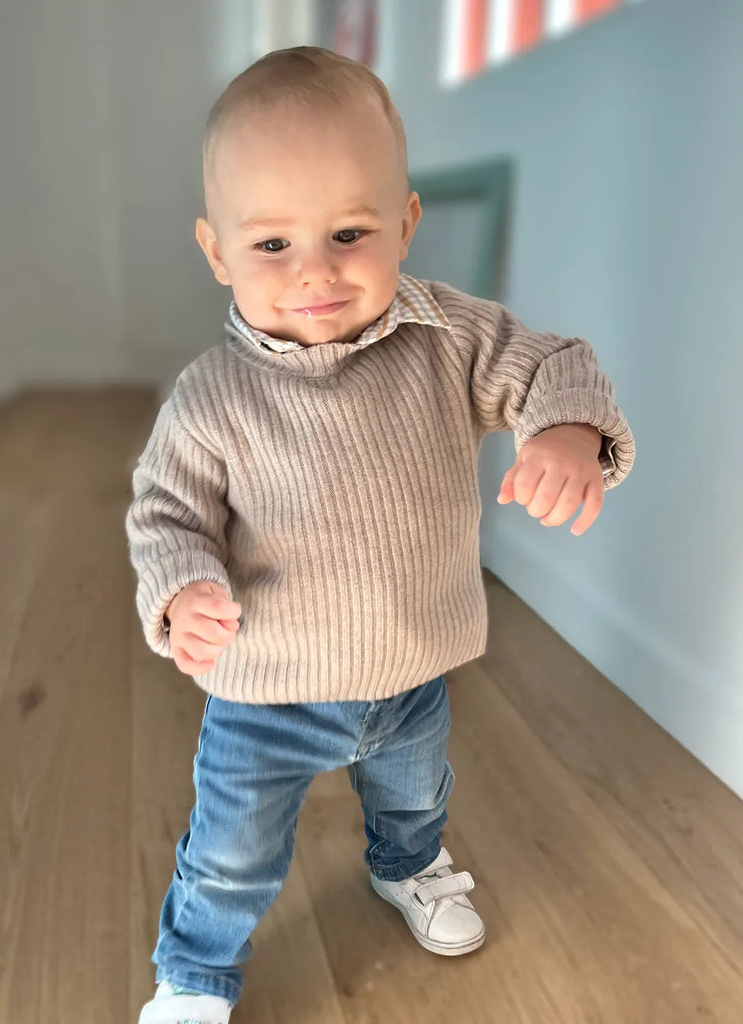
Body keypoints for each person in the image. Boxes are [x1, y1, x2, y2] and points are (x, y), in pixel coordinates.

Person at [126, 45, 634, 1024]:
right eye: (272, 244)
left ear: (405, 223)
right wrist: (183, 587)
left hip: (409, 671)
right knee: (232, 851)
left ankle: (407, 865)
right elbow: (167, 512)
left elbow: (550, 363)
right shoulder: (212, 398)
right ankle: (193, 971)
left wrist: (567, 431)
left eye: (349, 232)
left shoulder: (448, 339)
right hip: (266, 689)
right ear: (217, 251)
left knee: (415, 797)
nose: (315, 270)